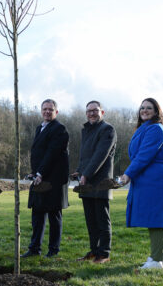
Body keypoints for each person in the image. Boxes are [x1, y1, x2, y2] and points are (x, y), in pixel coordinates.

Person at [120, 98, 163, 269]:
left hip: (155, 178)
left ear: (156, 111)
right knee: (156, 215)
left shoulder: (155, 129)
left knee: (157, 216)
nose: (144, 110)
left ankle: (156, 260)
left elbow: (144, 155)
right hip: (148, 177)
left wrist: (128, 174)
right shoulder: (146, 128)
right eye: (142, 108)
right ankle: (161, 258)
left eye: (149, 108)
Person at [21, 99, 69, 258]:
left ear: (56, 112)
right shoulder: (39, 128)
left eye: (51, 109)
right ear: (41, 111)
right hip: (39, 178)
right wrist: (34, 173)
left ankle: (53, 251)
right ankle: (34, 249)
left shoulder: (60, 129)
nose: (47, 112)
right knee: (37, 215)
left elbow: (52, 154)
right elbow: (39, 154)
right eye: (45, 109)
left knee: (54, 216)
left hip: (53, 180)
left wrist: (40, 173)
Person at [72, 100, 117, 264]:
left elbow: (100, 155)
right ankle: (94, 251)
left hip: (100, 182)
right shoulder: (86, 130)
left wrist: (86, 174)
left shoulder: (108, 129)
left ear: (102, 112)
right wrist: (79, 170)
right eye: (89, 111)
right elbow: (85, 155)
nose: (91, 113)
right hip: (87, 182)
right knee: (91, 221)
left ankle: (104, 254)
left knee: (102, 220)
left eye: (95, 110)